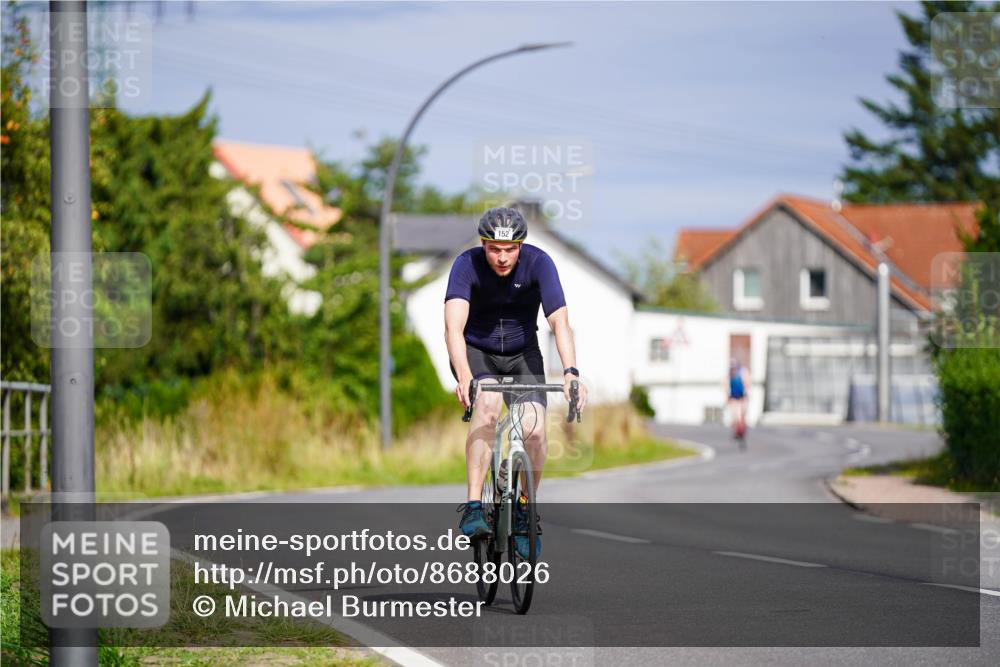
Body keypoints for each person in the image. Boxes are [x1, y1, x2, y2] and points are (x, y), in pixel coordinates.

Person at [444, 206, 588, 559]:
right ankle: (475, 506)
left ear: (521, 246)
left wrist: (571, 373)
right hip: (478, 353)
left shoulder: (540, 263)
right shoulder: (466, 265)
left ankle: (524, 510)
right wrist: (465, 376)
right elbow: (453, 329)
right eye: (495, 249)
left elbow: (560, 323)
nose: (503, 257)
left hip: (524, 353)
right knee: (489, 406)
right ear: (484, 244)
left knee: (535, 431)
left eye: (510, 249)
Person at [727, 358, 749, 443]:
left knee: (742, 416)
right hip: (734, 398)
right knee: (735, 416)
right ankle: (737, 431)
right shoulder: (729, 376)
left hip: (742, 397)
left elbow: (746, 385)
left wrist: (745, 395)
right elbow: (727, 387)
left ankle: (742, 431)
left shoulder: (742, 374)